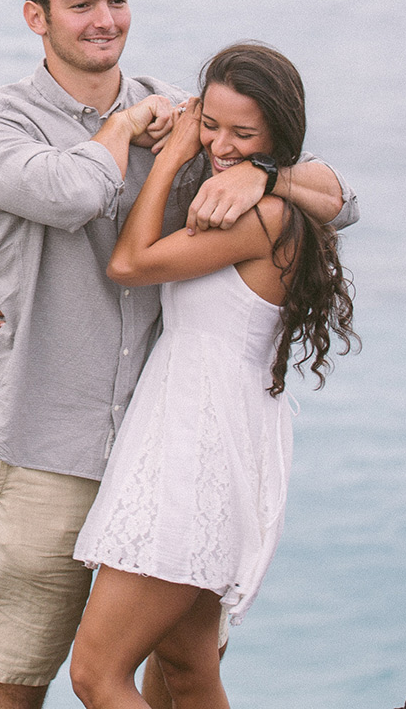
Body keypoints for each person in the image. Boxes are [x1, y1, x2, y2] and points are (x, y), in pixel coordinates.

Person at [0, 0, 358, 709]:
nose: (105, 20)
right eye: (81, 5)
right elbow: (74, 195)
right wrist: (124, 133)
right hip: (50, 443)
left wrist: (265, 173)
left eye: (118, 0)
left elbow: (343, 204)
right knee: (17, 679)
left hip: (166, 440)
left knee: (181, 668)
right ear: (37, 17)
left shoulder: (191, 120)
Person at [68, 42, 358, 709]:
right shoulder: (268, 195)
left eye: (243, 133)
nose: (222, 145)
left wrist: (173, 158)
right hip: (212, 439)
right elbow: (334, 193)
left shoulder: (266, 212)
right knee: (187, 669)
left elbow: (131, 263)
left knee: (96, 675)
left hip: (194, 457)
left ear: (279, 134)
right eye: (213, 124)